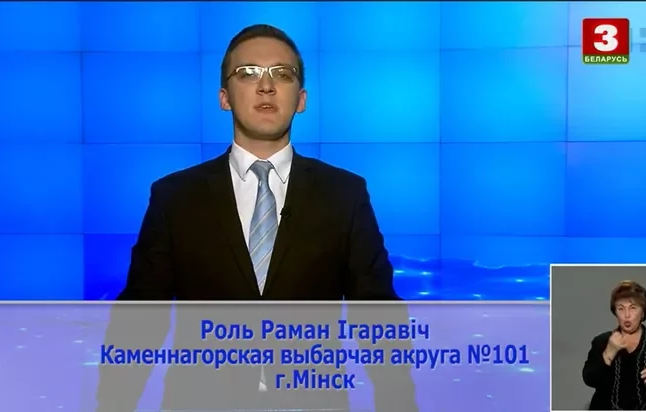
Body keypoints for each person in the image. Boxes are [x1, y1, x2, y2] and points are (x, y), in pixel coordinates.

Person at [95, 24, 417, 412]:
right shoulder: (175, 197)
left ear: (301, 100)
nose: (266, 86)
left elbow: (379, 320)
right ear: (224, 98)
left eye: (282, 74)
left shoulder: (344, 194)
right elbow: (139, 323)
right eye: (247, 73)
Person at [582, 280, 646, 410]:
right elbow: (589, 380)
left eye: (633, 308)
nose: (627, 315)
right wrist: (609, 352)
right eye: (621, 308)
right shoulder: (602, 341)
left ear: (643, 312)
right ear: (615, 313)